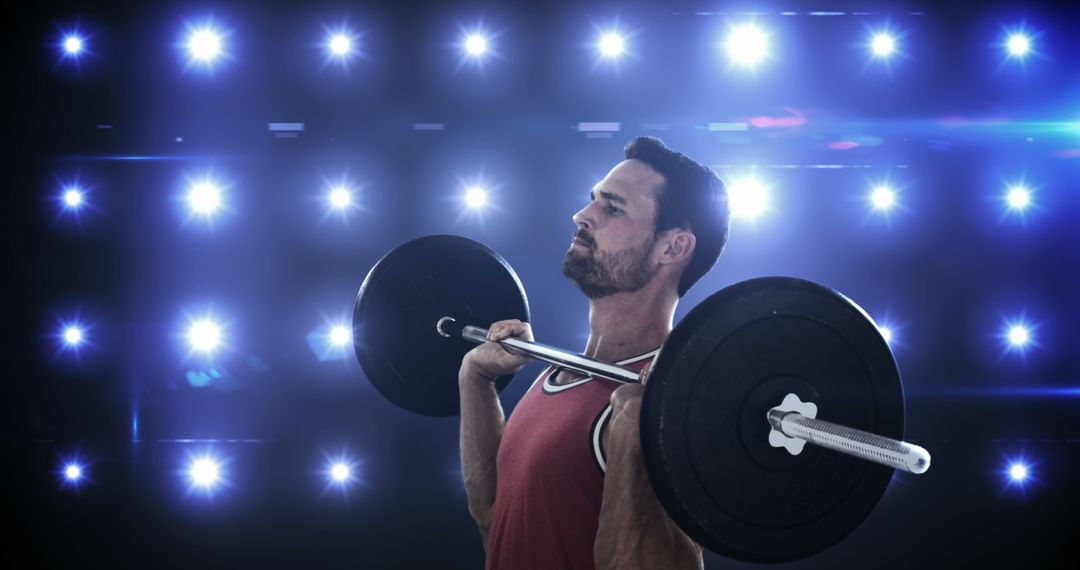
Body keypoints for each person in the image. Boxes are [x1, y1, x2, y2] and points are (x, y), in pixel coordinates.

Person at [457, 136, 731, 570]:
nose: (583, 216)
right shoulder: (553, 381)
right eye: (593, 201)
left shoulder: (671, 411)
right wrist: (475, 379)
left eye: (613, 207)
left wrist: (636, 428)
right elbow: (495, 522)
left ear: (672, 247)